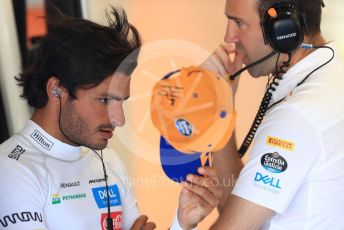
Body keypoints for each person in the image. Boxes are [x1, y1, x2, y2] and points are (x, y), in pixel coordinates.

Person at [0, 7, 222, 230]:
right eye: (105, 100)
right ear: (56, 89)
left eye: (121, 102)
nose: (119, 120)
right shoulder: (10, 170)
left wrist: (183, 221)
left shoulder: (109, 161)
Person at [200, 0, 344, 229]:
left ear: (284, 28)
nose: (229, 37)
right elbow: (246, 210)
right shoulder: (333, 73)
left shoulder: (297, 115)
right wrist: (220, 109)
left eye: (239, 23)